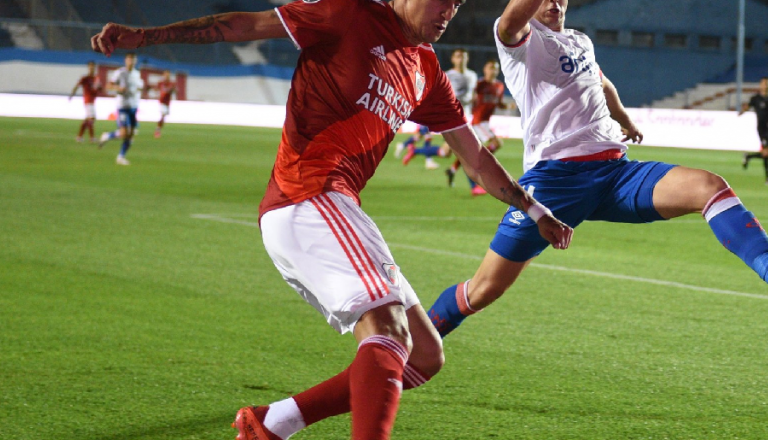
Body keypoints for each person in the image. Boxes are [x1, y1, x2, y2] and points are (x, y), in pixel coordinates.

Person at [89, 1, 573, 439]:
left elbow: (475, 158)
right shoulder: (349, 14)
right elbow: (244, 25)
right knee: (389, 330)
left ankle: (272, 423)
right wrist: (146, 37)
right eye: (441, 0)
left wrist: (533, 209)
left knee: (424, 355)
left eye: (458, 3)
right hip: (308, 196)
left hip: (333, 207)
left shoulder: (426, 68)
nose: (449, 11)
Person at [427, 0, 768, 340]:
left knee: (708, 187)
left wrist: (624, 119)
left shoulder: (579, 41)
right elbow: (511, 20)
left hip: (614, 172)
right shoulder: (518, 41)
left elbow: (601, 83)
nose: (553, 3)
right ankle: (416, 342)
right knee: (485, 288)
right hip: (554, 182)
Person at [445, 59, 514, 195]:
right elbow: (469, 96)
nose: (493, 71)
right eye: (490, 68)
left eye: (495, 68)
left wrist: (507, 106)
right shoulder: (479, 84)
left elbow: (498, 103)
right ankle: (479, 166)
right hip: (478, 122)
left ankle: (453, 169)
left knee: (469, 153)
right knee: (496, 143)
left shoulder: (499, 86)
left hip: (485, 123)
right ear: (485, 70)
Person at [97, 53, 143, 166]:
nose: (131, 61)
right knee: (123, 133)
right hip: (122, 107)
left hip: (133, 107)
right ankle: (108, 136)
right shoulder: (120, 73)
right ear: (125, 60)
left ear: (136, 61)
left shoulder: (137, 74)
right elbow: (108, 86)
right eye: (129, 59)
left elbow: (137, 88)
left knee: (131, 134)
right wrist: (118, 88)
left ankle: (121, 157)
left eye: (133, 59)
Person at [738, 77, 768, 185]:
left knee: (767, 154)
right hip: (762, 128)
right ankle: (767, 177)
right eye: (764, 84)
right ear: (761, 85)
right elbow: (748, 106)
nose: (766, 86)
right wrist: (742, 111)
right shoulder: (756, 98)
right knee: (767, 152)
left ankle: (767, 177)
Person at [68, 61, 101, 143]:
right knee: (91, 118)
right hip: (87, 100)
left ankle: (79, 137)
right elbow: (77, 86)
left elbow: (99, 89)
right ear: (88, 68)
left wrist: (99, 87)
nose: (91, 68)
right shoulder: (85, 78)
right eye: (90, 67)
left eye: (93, 67)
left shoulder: (96, 78)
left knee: (88, 119)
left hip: (92, 101)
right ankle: (92, 138)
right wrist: (72, 95)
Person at [444, 47, 477, 115]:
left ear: (467, 59)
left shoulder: (472, 75)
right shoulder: (447, 76)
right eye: (458, 57)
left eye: (463, 57)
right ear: (453, 59)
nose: (461, 59)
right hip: (451, 113)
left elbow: (474, 92)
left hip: (467, 113)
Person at [153, 70, 176, 138]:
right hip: (162, 101)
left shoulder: (171, 83)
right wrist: (157, 94)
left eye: (168, 75)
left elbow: (174, 91)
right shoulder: (161, 83)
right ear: (163, 75)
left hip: (167, 102)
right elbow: (156, 89)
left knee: (164, 116)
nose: (166, 76)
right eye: (165, 75)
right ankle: (157, 130)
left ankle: (158, 129)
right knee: (163, 114)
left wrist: (172, 90)